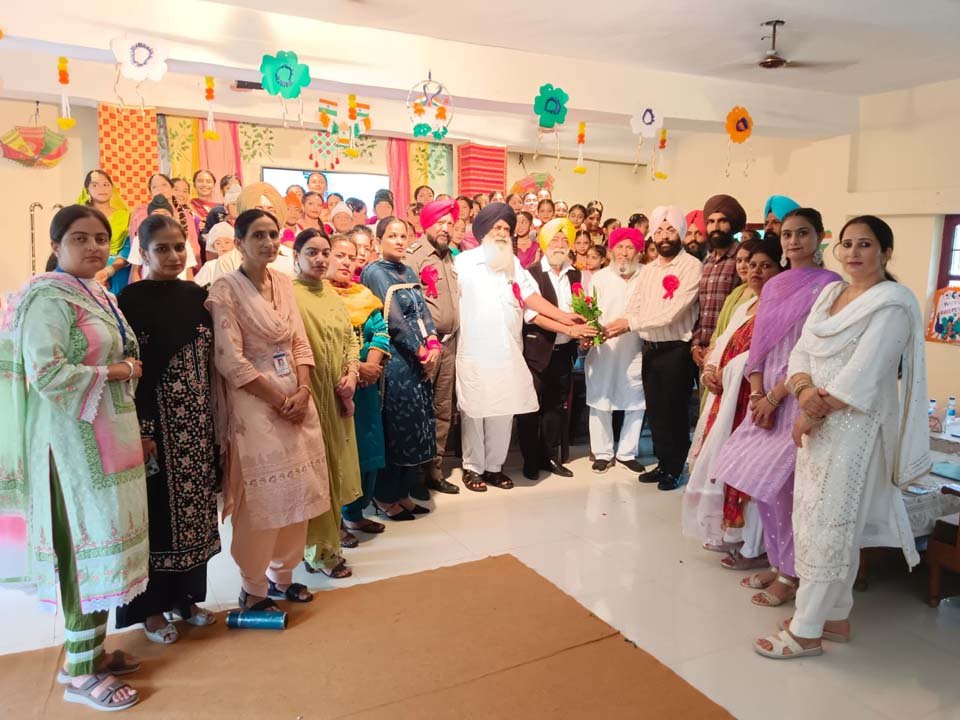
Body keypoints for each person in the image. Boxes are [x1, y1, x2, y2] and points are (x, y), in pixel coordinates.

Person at [756, 215, 928, 659]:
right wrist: (803, 393)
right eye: (847, 243)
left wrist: (813, 412)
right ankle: (834, 615)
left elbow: (865, 374)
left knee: (832, 524)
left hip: (856, 429)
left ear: (886, 252)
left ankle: (806, 630)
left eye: (865, 244)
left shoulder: (892, 304)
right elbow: (802, 351)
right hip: (817, 424)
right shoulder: (831, 294)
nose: (853, 252)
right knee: (814, 518)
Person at [0, 205, 147, 710]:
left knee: (106, 548)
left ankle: (90, 652)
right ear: (56, 246)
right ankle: (81, 675)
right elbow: (47, 372)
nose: (93, 247)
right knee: (84, 551)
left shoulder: (100, 293)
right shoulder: (47, 296)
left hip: (106, 437)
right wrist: (121, 372)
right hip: (68, 446)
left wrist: (122, 373)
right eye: (80, 238)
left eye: (101, 238)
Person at [711, 208, 841, 606]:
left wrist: (776, 396)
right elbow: (761, 344)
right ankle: (779, 561)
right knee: (762, 485)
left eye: (803, 233)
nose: (793, 241)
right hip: (764, 392)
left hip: (797, 393)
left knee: (788, 488)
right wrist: (756, 392)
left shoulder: (830, 286)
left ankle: (792, 574)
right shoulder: (776, 284)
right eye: (787, 234)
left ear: (819, 237)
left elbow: (814, 351)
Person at [206, 209, 330, 611]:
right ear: (239, 243)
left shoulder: (282, 282)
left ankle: (283, 577)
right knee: (262, 500)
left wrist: (304, 390)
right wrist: (279, 399)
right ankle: (253, 586)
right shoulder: (225, 289)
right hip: (256, 406)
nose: (268, 242)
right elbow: (230, 360)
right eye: (257, 235)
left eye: (273, 234)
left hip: (297, 401)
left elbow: (299, 343)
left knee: (298, 492)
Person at [115, 214, 220, 644]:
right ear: (143, 252)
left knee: (194, 514)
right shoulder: (129, 301)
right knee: (156, 518)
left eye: (179, 247)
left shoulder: (198, 296)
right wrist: (142, 431)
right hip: (154, 429)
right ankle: (151, 610)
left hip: (195, 426)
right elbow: (131, 373)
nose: (174, 256)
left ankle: (186, 600)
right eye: (162, 248)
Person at [455, 203, 583, 491]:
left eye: (506, 228)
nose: (502, 233)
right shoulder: (463, 262)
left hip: (507, 351)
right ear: (483, 231)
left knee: (503, 410)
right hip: (474, 350)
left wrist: (564, 317)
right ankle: (473, 468)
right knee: (475, 410)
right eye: (497, 227)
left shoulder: (513, 263)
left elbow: (531, 298)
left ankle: (494, 467)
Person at [682, 238, 781, 558]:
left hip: (751, 398)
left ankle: (750, 541)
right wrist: (712, 368)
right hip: (725, 395)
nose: (756, 272)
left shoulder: (780, 308)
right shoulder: (744, 305)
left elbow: (769, 356)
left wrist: (727, 371)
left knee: (745, 467)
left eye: (766, 266)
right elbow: (721, 341)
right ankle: (726, 531)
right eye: (752, 265)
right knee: (721, 462)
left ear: (781, 269)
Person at [607, 206, 702, 492]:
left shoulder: (691, 266)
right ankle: (663, 462)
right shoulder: (648, 270)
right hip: (650, 348)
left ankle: (675, 468)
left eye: (670, 230)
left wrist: (630, 323)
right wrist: (619, 323)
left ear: (680, 233)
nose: (664, 236)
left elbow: (673, 312)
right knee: (657, 411)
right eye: (659, 231)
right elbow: (634, 305)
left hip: (676, 350)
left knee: (675, 412)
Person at [293, 229, 362, 579]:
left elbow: (351, 339)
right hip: (309, 398)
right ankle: (317, 551)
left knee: (335, 472)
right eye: (311, 252)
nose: (320, 259)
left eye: (325, 252)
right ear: (296, 256)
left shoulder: (332, 294)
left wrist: (352, 373)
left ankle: (328, 545)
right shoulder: (289, 295)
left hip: (337, 396)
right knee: (316, 476)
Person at [361, 217, 439, 518]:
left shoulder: (408, 270)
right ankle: (384, 497)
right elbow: (395, 320)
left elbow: (422, 311)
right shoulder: (375, 272)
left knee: (415, 427)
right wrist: (420, 350)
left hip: (418, 361)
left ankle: (403, 492)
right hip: (395, 361)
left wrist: (433, 341)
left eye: (403, 235)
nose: (398, 241)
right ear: (379, 240)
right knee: (396, 427)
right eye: (392, 236)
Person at [518, 218, 596, 481]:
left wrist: (582, 333)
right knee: (531, 407)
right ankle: (530, 460)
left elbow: (581, 309)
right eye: (554, 240)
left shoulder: (575, 274)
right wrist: (569, 328)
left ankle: (549, 456)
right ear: (543, 243)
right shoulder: (530, 273)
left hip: (564, 352)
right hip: (537, 353)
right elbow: (533, 316)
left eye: (564, 240)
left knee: (555, 406)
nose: (560, 245)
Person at [327, 235, 388, 538]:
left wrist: (371, 367)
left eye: (351, 257)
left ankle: (354, 514)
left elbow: (380, 331)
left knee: (366, 448)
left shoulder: (364, 295)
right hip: (334, 386)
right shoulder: (318, 296)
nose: (346, 262)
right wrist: (356, 369)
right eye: (339, 255)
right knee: (338, 453)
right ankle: (333, 523)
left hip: (365, 389)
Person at [405, 198, 462, 496]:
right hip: (425, 346)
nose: (445, 228)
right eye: (440, 222)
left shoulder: (452, 257)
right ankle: (414, 475)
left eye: (450, 223)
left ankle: (434, 471)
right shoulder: (413, 256)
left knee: (442, 409)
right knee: (420, 411)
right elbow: (408, 306)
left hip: (450, 345)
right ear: (426, 224)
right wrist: (422, 343)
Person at [585, 228, 647, 474]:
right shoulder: (599, 278)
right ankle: (602, 452)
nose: (624, 253)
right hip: (604, 349)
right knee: (600, 398)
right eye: (619, 247)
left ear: (638, 252)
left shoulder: (647, 276)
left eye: (630, 247)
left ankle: (627, 453)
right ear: (611, 251)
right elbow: (589, 312)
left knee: (636, 401)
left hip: (636, 347)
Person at [690, 195, 745, 369]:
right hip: (702, 353)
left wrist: (720, 347)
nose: (716, 227)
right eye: (711, 222)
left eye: (722, 221)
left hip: (731, 352)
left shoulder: (743, 260)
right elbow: (701, 311)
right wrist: (696, 345)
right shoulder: (706, 263)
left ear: (732, 225)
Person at [80, 169, 132, 294]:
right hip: (88, 274)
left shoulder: (126, 216)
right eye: (95, 185)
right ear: (87, 190)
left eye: (106, 184)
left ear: (112, 188)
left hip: (119, 270)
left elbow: (129, 246)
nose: (101, 189)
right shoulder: (80, 216)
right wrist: (94, 274)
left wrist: (109, 271)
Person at [128, 195, 198, 282]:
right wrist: (140, 289)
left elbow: (189, 270)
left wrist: (190, 288)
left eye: (165, 214)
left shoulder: (182, 239)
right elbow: (135, 271)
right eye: (156, 214)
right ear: (149, 217)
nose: (161, 217)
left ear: (172, 217)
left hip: (180, 287)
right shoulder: (139, 239)